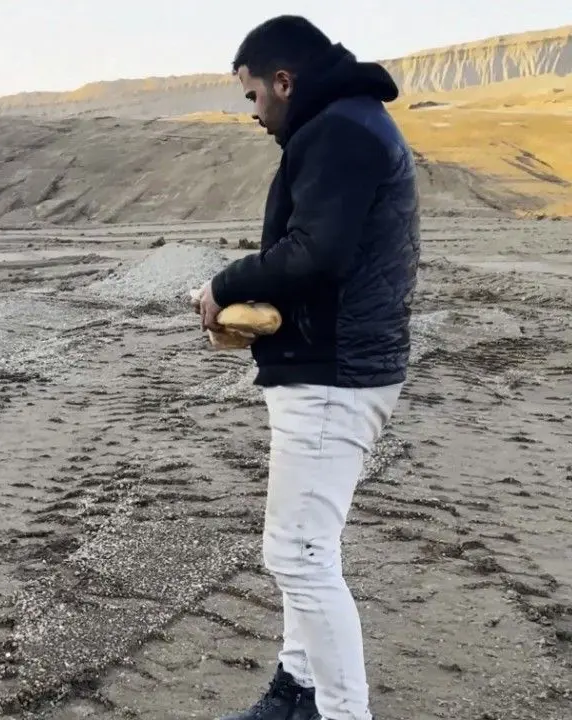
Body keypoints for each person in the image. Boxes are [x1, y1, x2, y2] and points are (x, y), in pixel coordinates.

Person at [193, 15, 420, 720]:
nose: (254, 114)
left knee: (296, 556)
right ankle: (298, 691)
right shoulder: (350, 122)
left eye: (255, 96)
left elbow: (314, 252)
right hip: (337, 365)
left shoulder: (341, 131)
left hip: (335, 375)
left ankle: (340, 712)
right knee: (307, 546)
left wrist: (223, 286)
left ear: (285, 81)